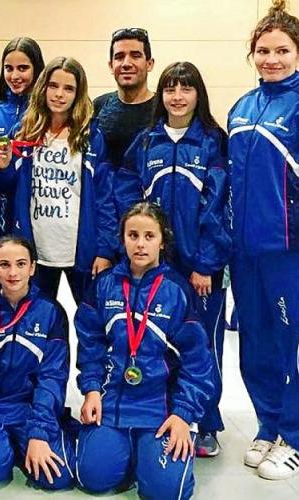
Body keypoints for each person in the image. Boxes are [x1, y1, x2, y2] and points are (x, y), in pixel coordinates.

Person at [115, 61, 230, 457]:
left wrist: (206, 264)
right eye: (170, 89)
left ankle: (207, 423)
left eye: (186, 89)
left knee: (204, 344)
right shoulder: (147, 142)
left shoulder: (212, 141)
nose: (177, 97)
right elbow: (126, 192)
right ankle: (165, 413)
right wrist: (138, 244)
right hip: (156, 267)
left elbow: (219, 206)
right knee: (159, 339)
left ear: (199, 94)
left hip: (200, 268)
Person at [75, 202, 215, 499]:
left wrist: (183, 414)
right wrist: (91, 390)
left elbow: (198, 361)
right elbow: (90, 344)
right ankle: (129, 451)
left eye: (149, 236)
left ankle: (146, 455)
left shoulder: (177, 290)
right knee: (93, 477)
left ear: (162, 241)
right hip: (113, 401)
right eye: (133, 235)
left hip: (160, 408)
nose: (140, 244)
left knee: (166, 492)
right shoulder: (104, 285)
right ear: (122, 239)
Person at [227, 0, 299, 480]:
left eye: (282, 50)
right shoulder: (242, 107)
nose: (271, 59)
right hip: (244, 252)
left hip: (287, 252)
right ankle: (267, 424)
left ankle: (293, 434)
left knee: (289, 344)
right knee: (254, 344)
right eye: (264, 51)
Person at [0, 56, 118, 306]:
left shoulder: (91, 136)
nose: (59, 94)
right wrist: (2, 168)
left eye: (68, 88)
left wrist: (105, 250)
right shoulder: (23, 132)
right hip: (35, 250)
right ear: (43, 88)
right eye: (53, 86)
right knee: (35, 319)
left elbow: (104, 198)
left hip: (80, 250)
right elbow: (6, 189)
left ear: (78, 94)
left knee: (91, 320)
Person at [0, 236, 75, 490]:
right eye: (5, 265)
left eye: (21, 264)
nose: (13, 273)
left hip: (29, 407)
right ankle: (0, 444)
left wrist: (39, 433)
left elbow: (53, 376)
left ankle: (21, 441)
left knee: (58, 476)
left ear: (32, 268)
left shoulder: (51, 312)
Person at [0, 37, 45, 241]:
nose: (15, 76)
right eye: (8, 68)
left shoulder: (47, 113)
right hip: (2, 215)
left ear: (37, 70)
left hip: (38, 213)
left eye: (23, 68)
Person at [93, 28, 156, 165]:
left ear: (149, 64)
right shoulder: (98, 106)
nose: (126, 63)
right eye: (119, 57)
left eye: (135, 56)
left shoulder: (163, 109)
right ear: (111, 66)